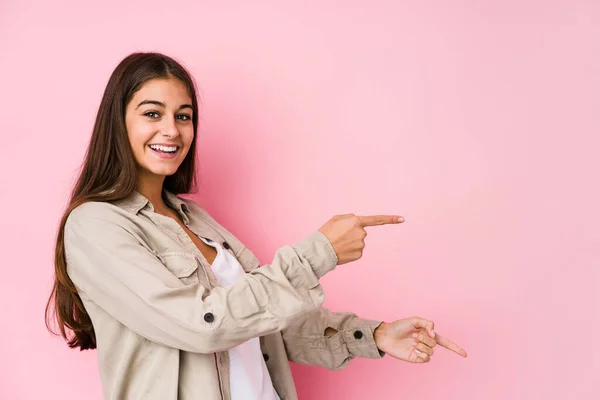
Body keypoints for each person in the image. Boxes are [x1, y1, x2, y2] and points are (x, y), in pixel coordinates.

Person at [45, 52, 467, 400]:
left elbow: (266, 323)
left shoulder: (195, 219)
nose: (171, 130)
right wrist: (318, 253)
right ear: (117, 122)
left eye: (185, 116)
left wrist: (375, 335)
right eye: (152, 113)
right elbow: (201, 323)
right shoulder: (95, 225)